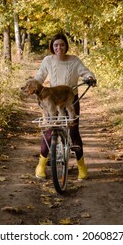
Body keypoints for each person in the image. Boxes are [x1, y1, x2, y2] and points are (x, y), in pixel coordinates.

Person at [35, 33, 97, 180]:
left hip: (70, 98)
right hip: (52, 100)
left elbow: (85, 72)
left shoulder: (74, 61)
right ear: (52, 46)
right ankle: (41, 165)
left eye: (62, 45)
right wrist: (33, 83)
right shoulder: (47, 60)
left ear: (66, 46)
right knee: (49, 131)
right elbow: (40, 76)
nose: (59, 48)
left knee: (74, 131)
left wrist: (89, 77)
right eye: (56, 45)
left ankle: (81, 166)